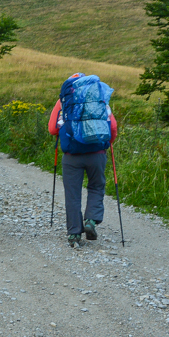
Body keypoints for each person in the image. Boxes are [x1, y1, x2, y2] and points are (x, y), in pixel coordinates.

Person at [48, 73, 117, 247]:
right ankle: (91, 221)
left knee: (73, 194)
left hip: (71, 156)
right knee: (96, 187)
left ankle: (74, 235)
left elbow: (52, 129)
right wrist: (107, 142)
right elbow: (113, 127)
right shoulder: (98, 97)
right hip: (97, 153)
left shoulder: (64, 100)